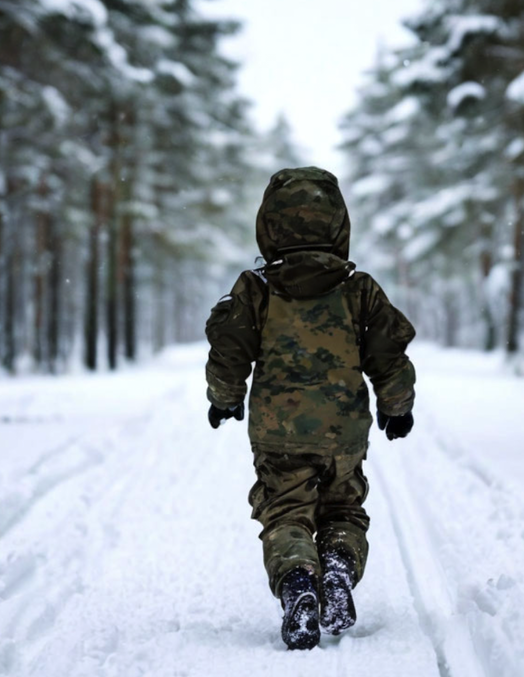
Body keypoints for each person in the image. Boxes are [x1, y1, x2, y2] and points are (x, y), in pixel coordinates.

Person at [204, 167, 417, 650]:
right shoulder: (358, 289)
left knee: (285, 512)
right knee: (343, 507)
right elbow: (388, 353)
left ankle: (299, 581)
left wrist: (224, 398)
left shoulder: (256, 289)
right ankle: (337, 570)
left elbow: (229, 349)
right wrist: (397, 404)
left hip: (278, 432)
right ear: (338, 224)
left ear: (269, 225)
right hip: (343, 431)